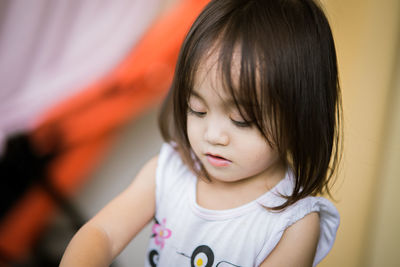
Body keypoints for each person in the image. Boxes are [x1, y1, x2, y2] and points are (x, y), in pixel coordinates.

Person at [60, 0, 342, 266]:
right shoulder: (168, 172)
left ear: (299, 117)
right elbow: (102, 235)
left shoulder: (294, 225)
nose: (214, 135)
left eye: (242, 120)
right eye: (197, 109)